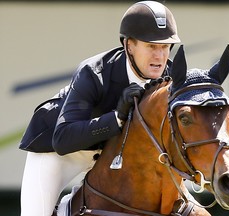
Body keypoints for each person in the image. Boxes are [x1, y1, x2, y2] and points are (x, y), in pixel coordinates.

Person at [19, 1, 180, 216]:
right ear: (129, 45)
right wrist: (115, 119)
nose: (160, 57)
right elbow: (63, 139)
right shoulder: (94, 72)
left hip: (108, 156)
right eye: (151, 46)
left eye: (165, 47)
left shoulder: (168, 78)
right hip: (57, 152)